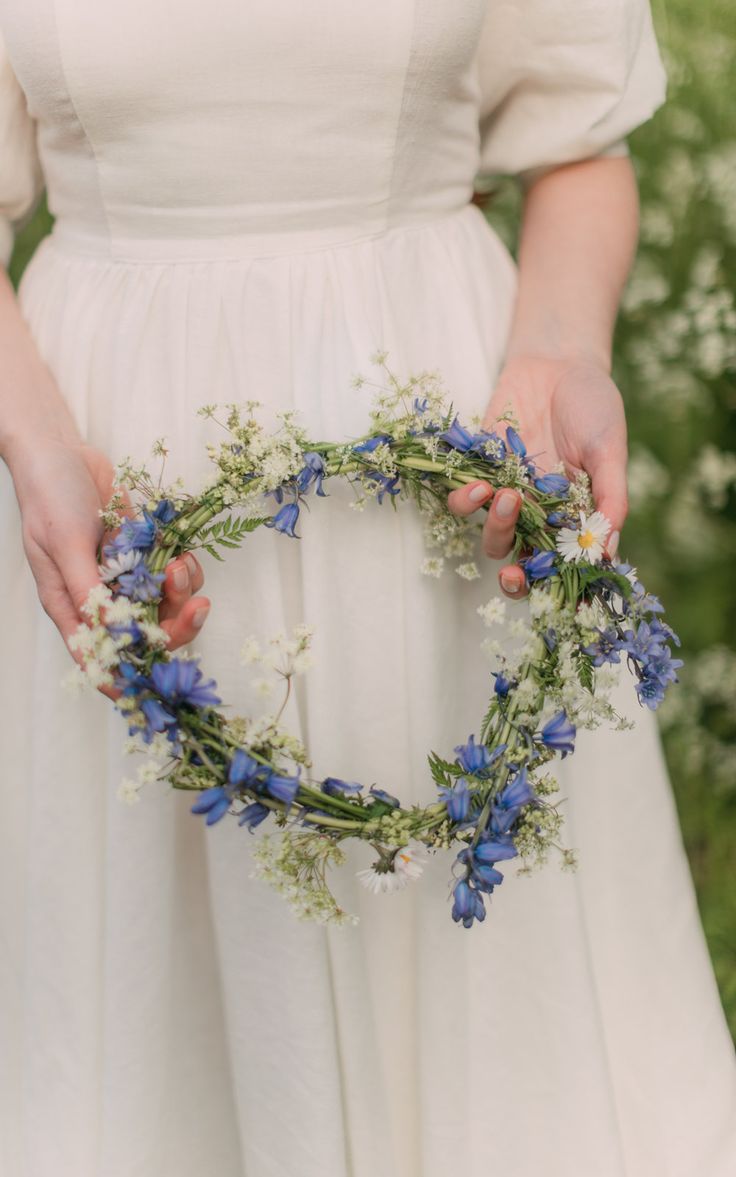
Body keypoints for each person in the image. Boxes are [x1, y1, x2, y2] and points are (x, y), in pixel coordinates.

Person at [1, 2, 734, 1175]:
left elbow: (577, 140)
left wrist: (557, 357)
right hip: (106, 468)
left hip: (447, 460)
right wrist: (36, 447)